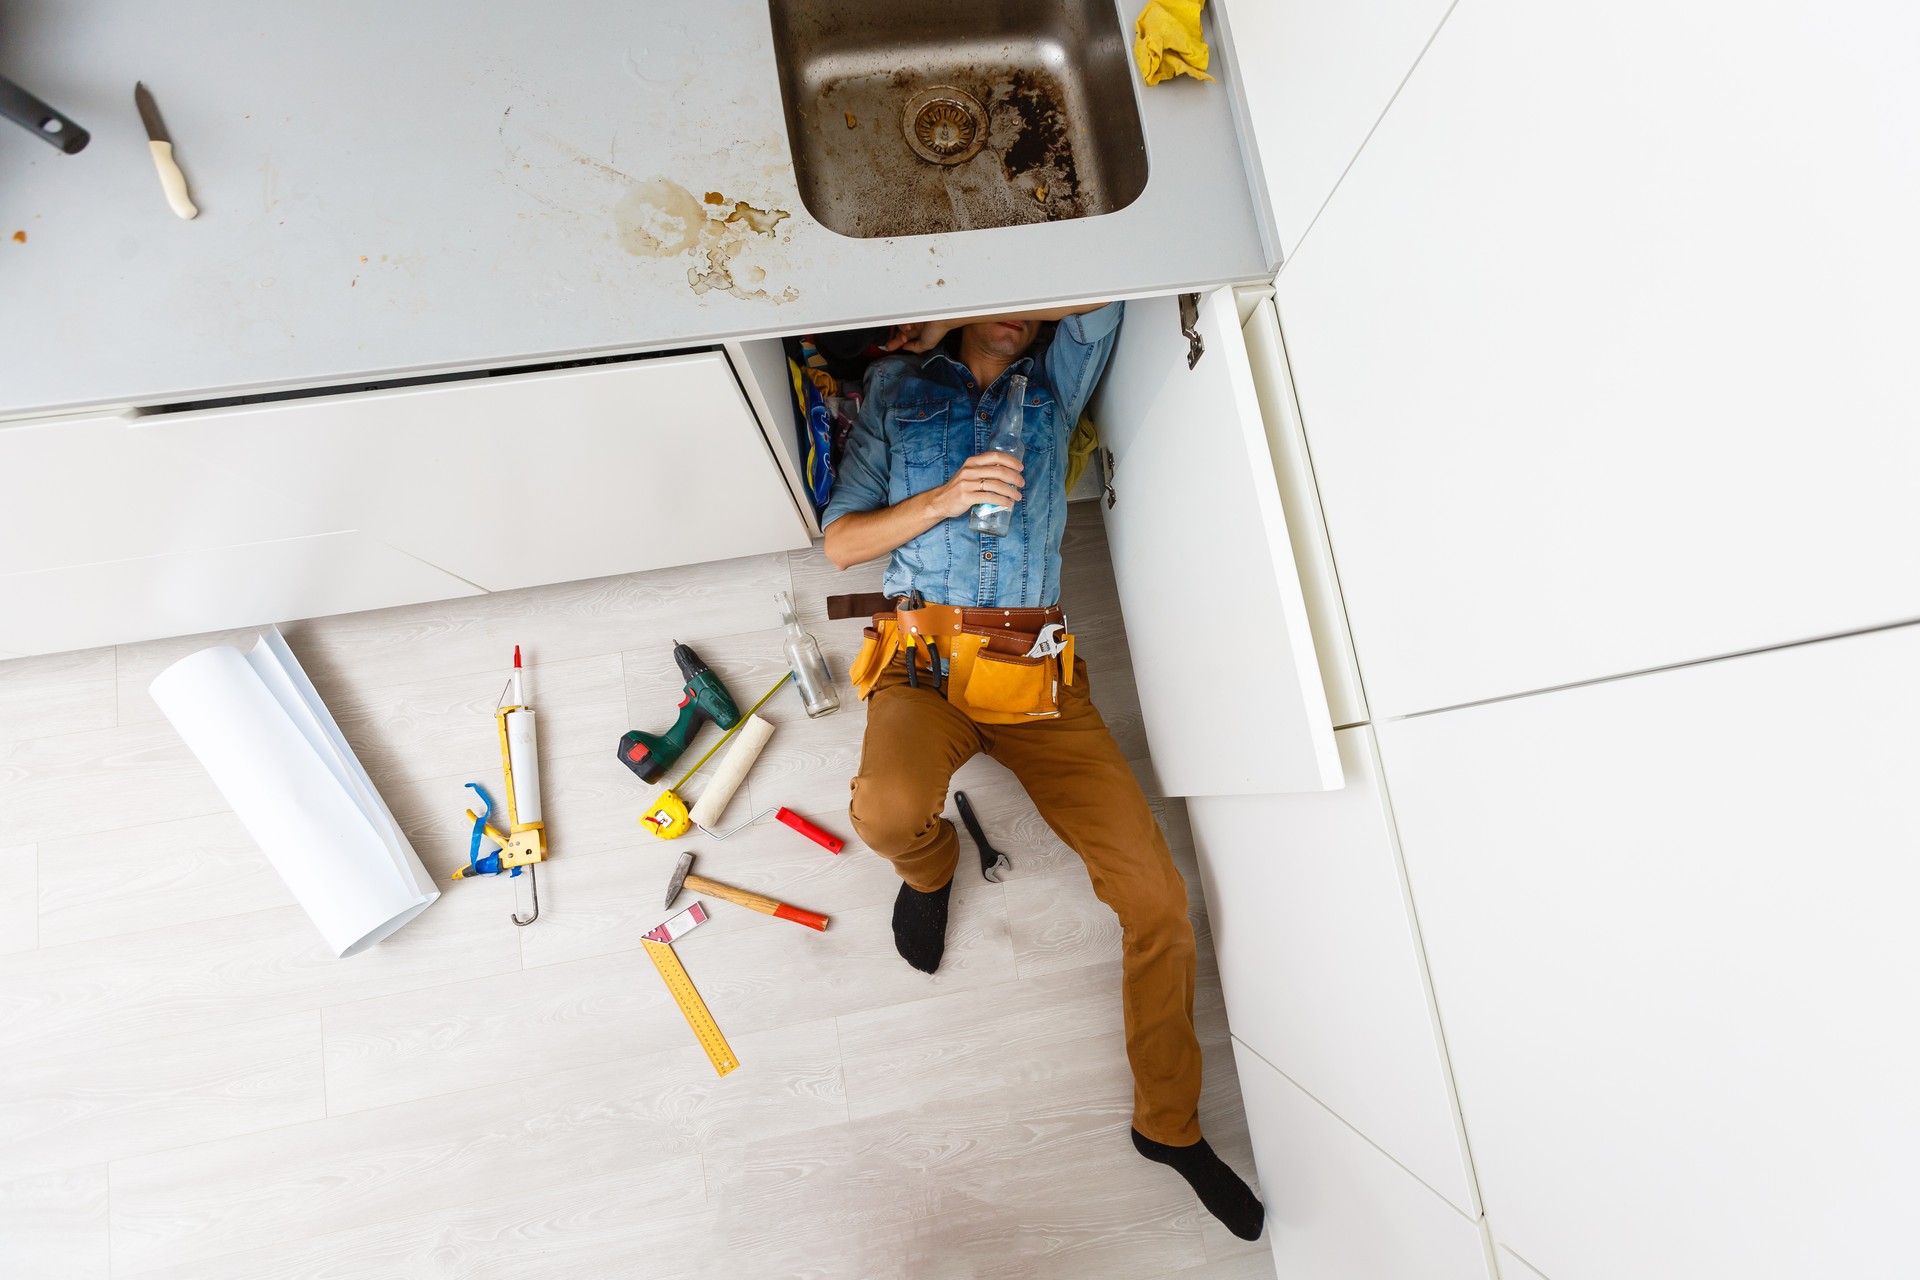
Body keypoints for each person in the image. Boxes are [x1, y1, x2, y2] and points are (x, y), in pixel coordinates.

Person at [821, 303, 1265, 1241]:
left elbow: (1098, 298)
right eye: (1001, 298)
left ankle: (1168, 1128)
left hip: (1038, 684)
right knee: (886, 812)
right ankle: (930, 870)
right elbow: (842, 544)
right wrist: (941, 495)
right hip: (922, 667)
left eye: (1035, 299)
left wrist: (1016, 303)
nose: (1021, 311)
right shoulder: (902, 389)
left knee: (1156, 898)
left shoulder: (1055, 385)